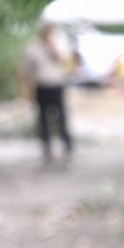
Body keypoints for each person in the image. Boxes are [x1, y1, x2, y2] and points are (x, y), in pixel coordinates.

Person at [21, 21, 75, 164]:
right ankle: (46, 148)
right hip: (41, 86)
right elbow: (26, 71)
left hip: (57, 85)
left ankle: (67, 145)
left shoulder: (60, 44)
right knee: (43, 118)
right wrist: (27, 91)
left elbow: (67, 64)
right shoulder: (32, 47)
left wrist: (52, 48)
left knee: (61, 116)